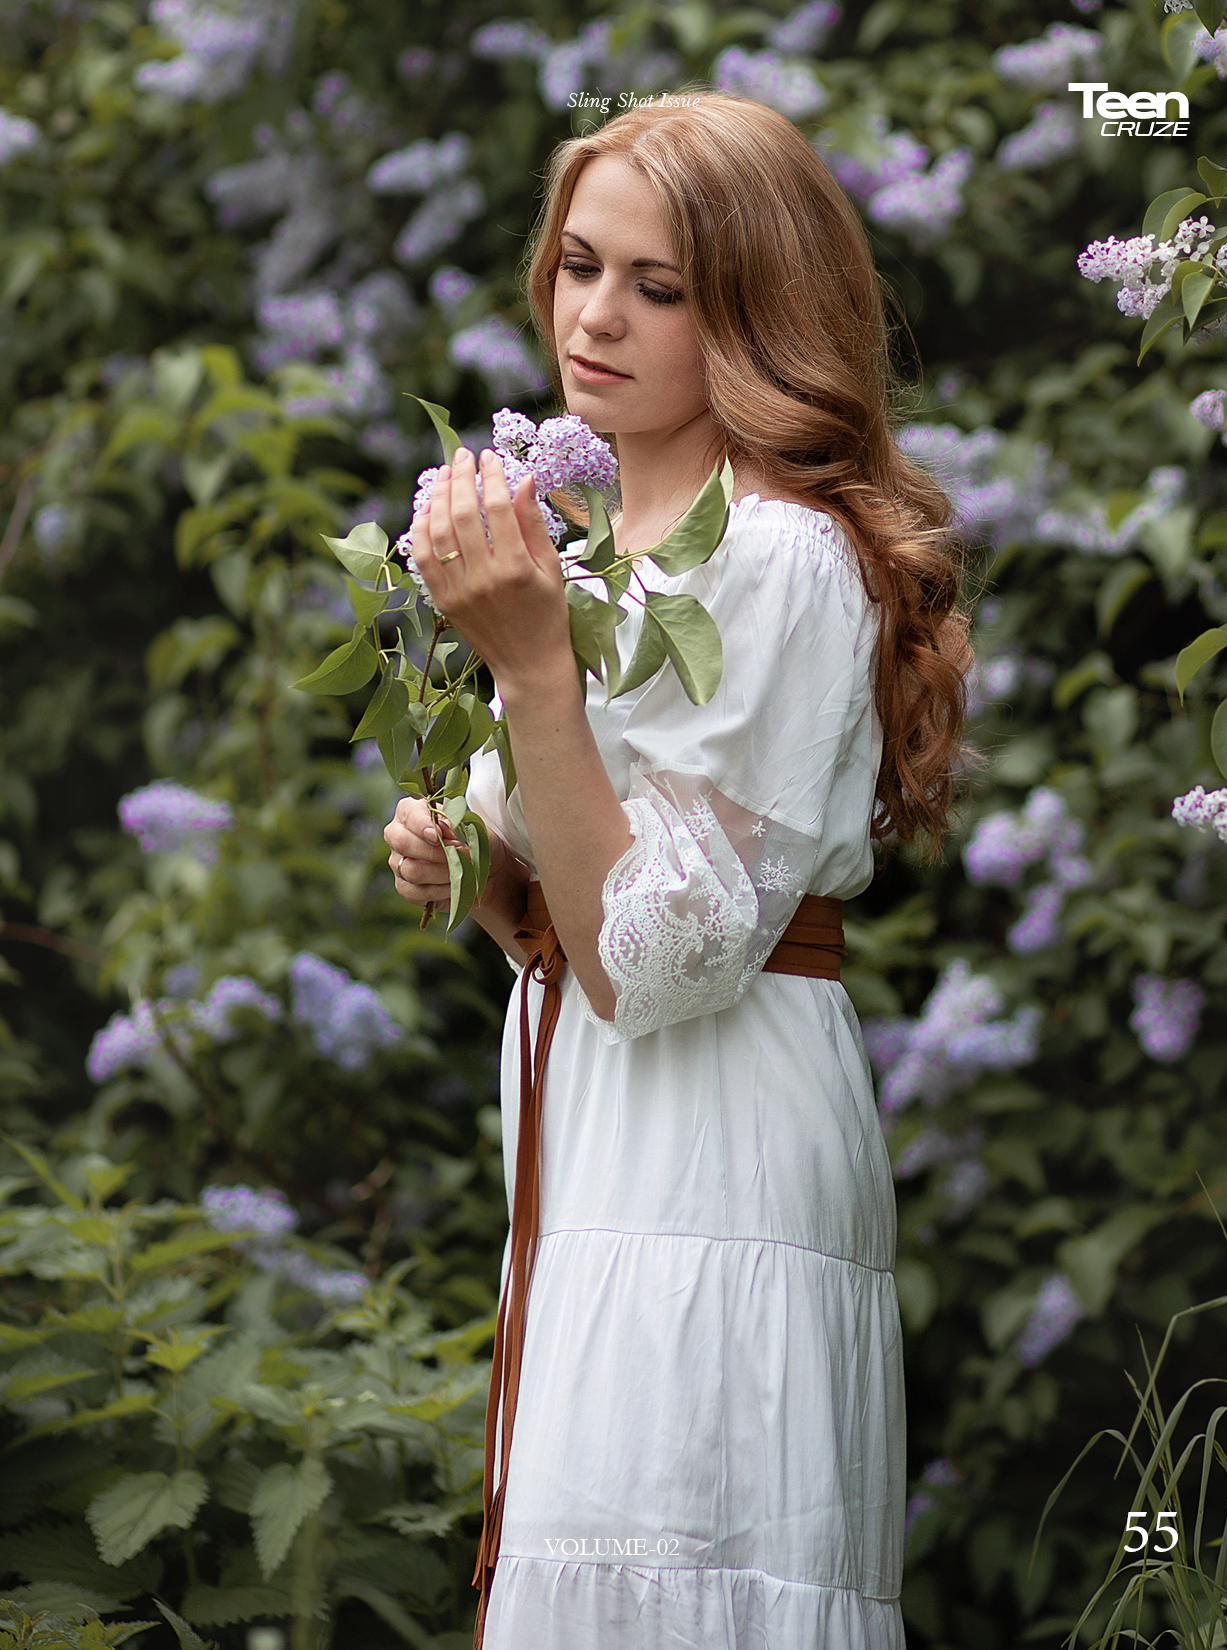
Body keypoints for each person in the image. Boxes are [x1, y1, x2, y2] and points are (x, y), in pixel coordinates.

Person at [383, 89, 969, 1650]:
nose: (595, 316)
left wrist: (531, 673)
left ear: (760, 316)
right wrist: (470, 863)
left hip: (719, 1153)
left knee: (681, 1576)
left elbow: (651, 962)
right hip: (607, 1148)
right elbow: (573, 909)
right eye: (580, 265)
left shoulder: (774, 555)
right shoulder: (592, 561)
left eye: (659, 287)